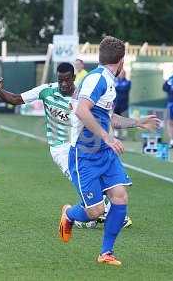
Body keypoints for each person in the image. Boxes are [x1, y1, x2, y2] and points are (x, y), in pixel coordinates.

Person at [0, 63, 158, 229]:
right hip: (60, 149)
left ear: (73, 78)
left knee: (99, 181)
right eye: (60, 80)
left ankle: (93, 213)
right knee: (81, 180)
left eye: (67, 80)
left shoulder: (83, 95)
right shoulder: (47, 90)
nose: (64, 84)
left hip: (82, 146)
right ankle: (97, 213)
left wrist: (136, 122)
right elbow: (15, 99)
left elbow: (109, 117)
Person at [58, 36, 160, 266]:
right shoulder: (97, 79)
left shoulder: (106, 80)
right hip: (84, 154)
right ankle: (69, 214)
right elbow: (82, 111)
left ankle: (106, 253)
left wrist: (137, 122)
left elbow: (108, 117)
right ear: (122, 60)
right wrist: (106, 137)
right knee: (93, 212)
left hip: (105, 153)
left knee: (120, 197)